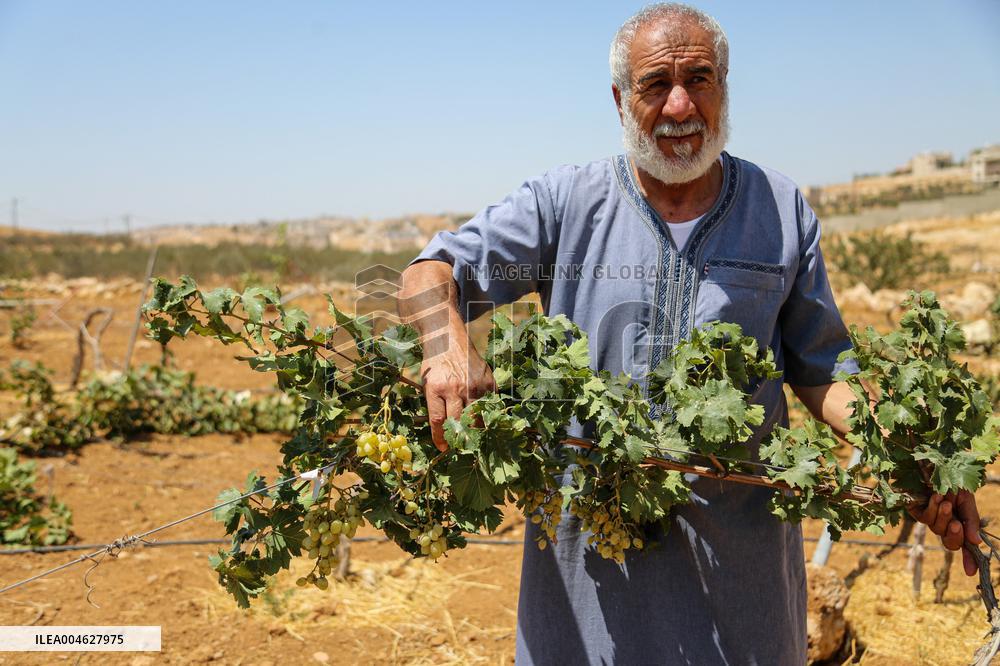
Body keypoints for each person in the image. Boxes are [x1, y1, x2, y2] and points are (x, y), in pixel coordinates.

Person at [397, 4, 981, 664]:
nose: (680, 106)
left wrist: (909, 454)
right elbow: (429, 273)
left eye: (699, 79)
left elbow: (822, 370)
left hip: (741, 576)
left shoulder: (778, 209)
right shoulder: (564, 205)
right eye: (656, 84)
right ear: (620, 99)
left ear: (724, 87)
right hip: (591, 574)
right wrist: (446, 345)